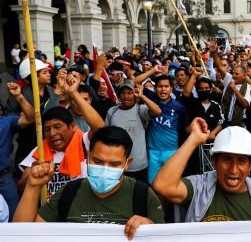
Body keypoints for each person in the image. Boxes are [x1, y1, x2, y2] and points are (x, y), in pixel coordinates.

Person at [152, 118, 251, 229]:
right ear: (214, 162)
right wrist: (194, 139)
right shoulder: (198, 188)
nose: (233, 170)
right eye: (227, 160)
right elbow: (162, 185)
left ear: (250, 166)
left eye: (241, 161)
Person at [13, 126, 165, 240]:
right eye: (97, 161)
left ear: (127, 164)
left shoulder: (142, 194)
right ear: (87, 156)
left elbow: (165, 237)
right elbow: (22, 235)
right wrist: (33, 187)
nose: (105, 169)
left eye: (114, 164)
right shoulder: (69, 191)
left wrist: (149, 229)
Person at [17, 74, 105, 197]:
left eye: (58, 127)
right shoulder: (40, 151)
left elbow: (100, 129)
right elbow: (21, 188)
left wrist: (73, 93)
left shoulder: (83, 142)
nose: (52, 134)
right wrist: (32, 178)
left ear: (72, 127)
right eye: (47, 129)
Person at [134, 67, 189, 184]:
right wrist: (153, 70)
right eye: (160, 86)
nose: (163, 89)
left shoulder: (179, 107)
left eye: (166, 86)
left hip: (172, 151)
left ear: (171, 89)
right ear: (155, 88)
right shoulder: (151, 97)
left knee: (171, 184)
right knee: (153, 184)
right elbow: (136, 81)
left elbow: (187, 128)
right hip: (152, 151)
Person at [105, 80, 161, 182]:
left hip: (139, 166)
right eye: (123, 93)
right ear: (119, 95)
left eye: (129, 93)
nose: (126, 96)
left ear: (134, 95)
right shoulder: (112, 111)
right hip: (118, 165)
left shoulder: (140, 109)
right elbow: (106, 135)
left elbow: (157, 111)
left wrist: (142, 96)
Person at [0, 82, 35, 221]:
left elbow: (31, 118)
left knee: (16, 216)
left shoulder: (6, 122)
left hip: (4, 178)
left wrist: (18, 96)